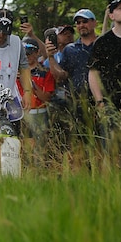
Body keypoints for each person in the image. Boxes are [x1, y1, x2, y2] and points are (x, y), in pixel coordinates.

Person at [46, 9, 98, 150]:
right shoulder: (70, 49)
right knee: (79, 145)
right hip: (75, 104)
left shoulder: (102, 44)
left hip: (99, 102)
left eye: (85, 21)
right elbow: (61, 76)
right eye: (78, 22)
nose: (81, 25)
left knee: (101, 143)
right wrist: (50, 57)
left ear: (94, 23)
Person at [88, 0, 121, 150]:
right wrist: (99, 102)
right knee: (111, 152)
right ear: (111, 16)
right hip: (110, 104)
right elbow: (93, 73)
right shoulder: (102, 42)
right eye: (119, 8)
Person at [17, 37, 54, 164]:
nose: (27, 56)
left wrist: (30, 84)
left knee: (40, 150)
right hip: (22, 114)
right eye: (24, 53)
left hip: (40, 114)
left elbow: (47, 97)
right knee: (25, 149)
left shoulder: (45, 71)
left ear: (37, 52)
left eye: (29, 52)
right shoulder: (16, 71)